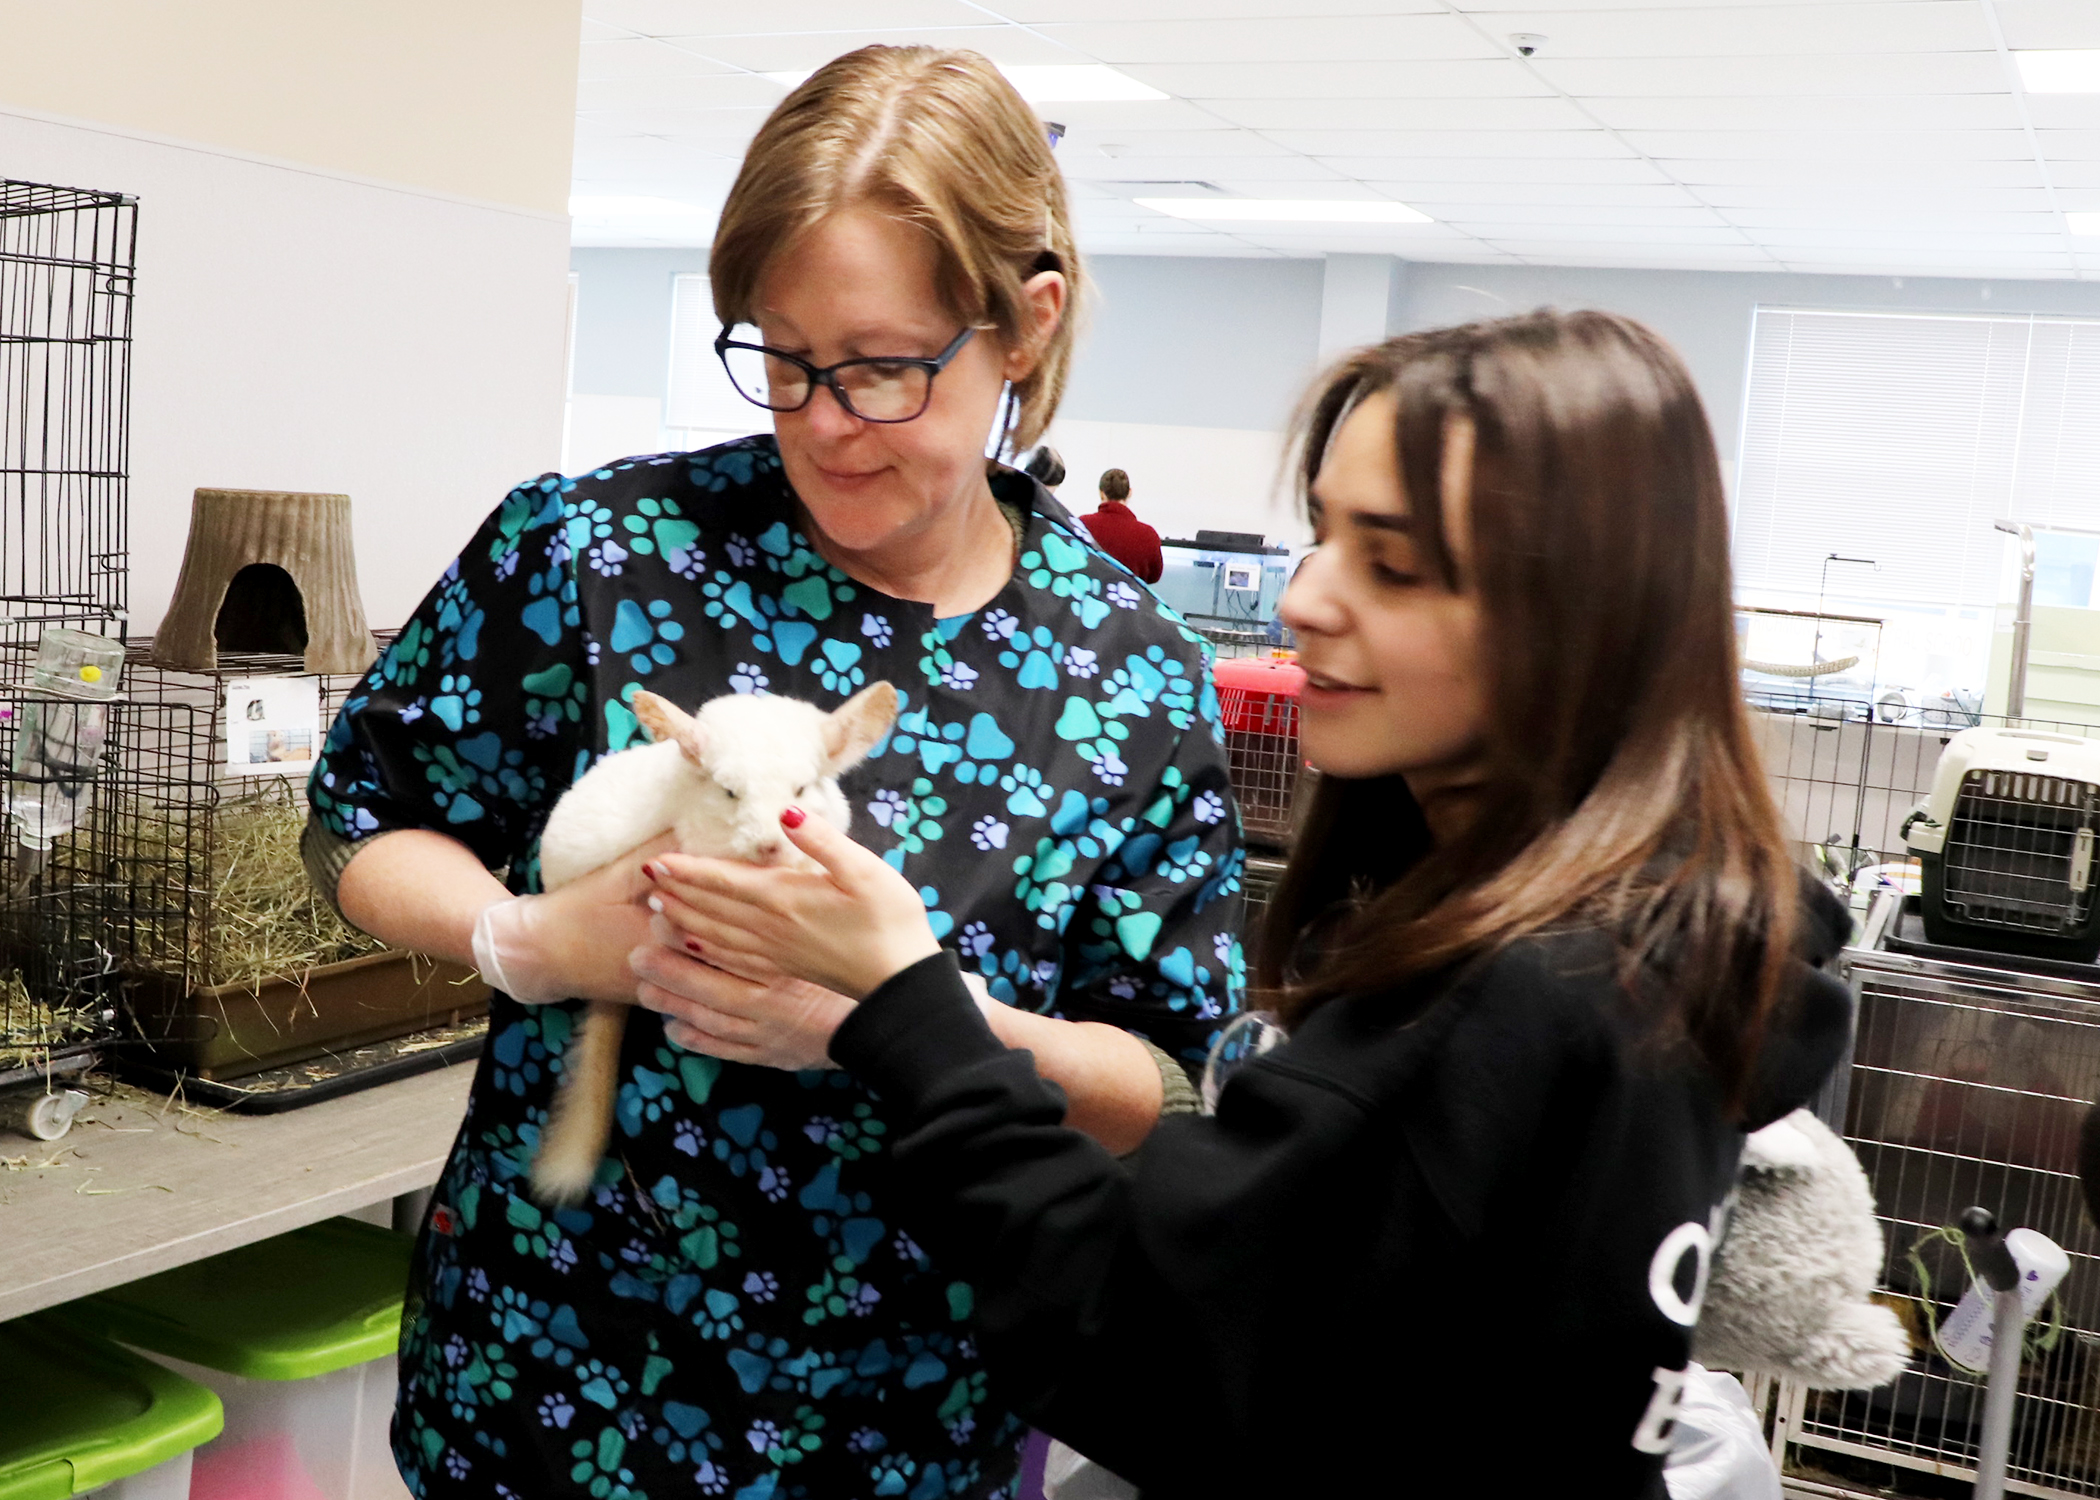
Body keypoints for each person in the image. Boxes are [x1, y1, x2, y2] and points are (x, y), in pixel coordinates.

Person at [638, 310, 1856, 1498]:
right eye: (1320, 535)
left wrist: (912, 1005)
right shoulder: (1673, 940)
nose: (1306, 600)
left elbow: (1153, 1351)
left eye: (1394, 564)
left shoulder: (1510, 1007)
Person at [302, 45, 1243, 1499]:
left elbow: (1164, 1085)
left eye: (879, 370)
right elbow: (361, 820)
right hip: (549, 1383)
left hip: (897, 1423)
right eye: (781, 356)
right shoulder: (597, 553)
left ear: (1024, 329)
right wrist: (528, 938)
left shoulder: (1126, 678)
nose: (816, 421)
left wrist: (908, 1017)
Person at [1079, 467, 1162, 583]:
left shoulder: (1082, 525)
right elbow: (1154, 576)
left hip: (1090, 598)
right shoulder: (1148, 534)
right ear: (1129, 493)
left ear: (1101, 493)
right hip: (1133, 599)